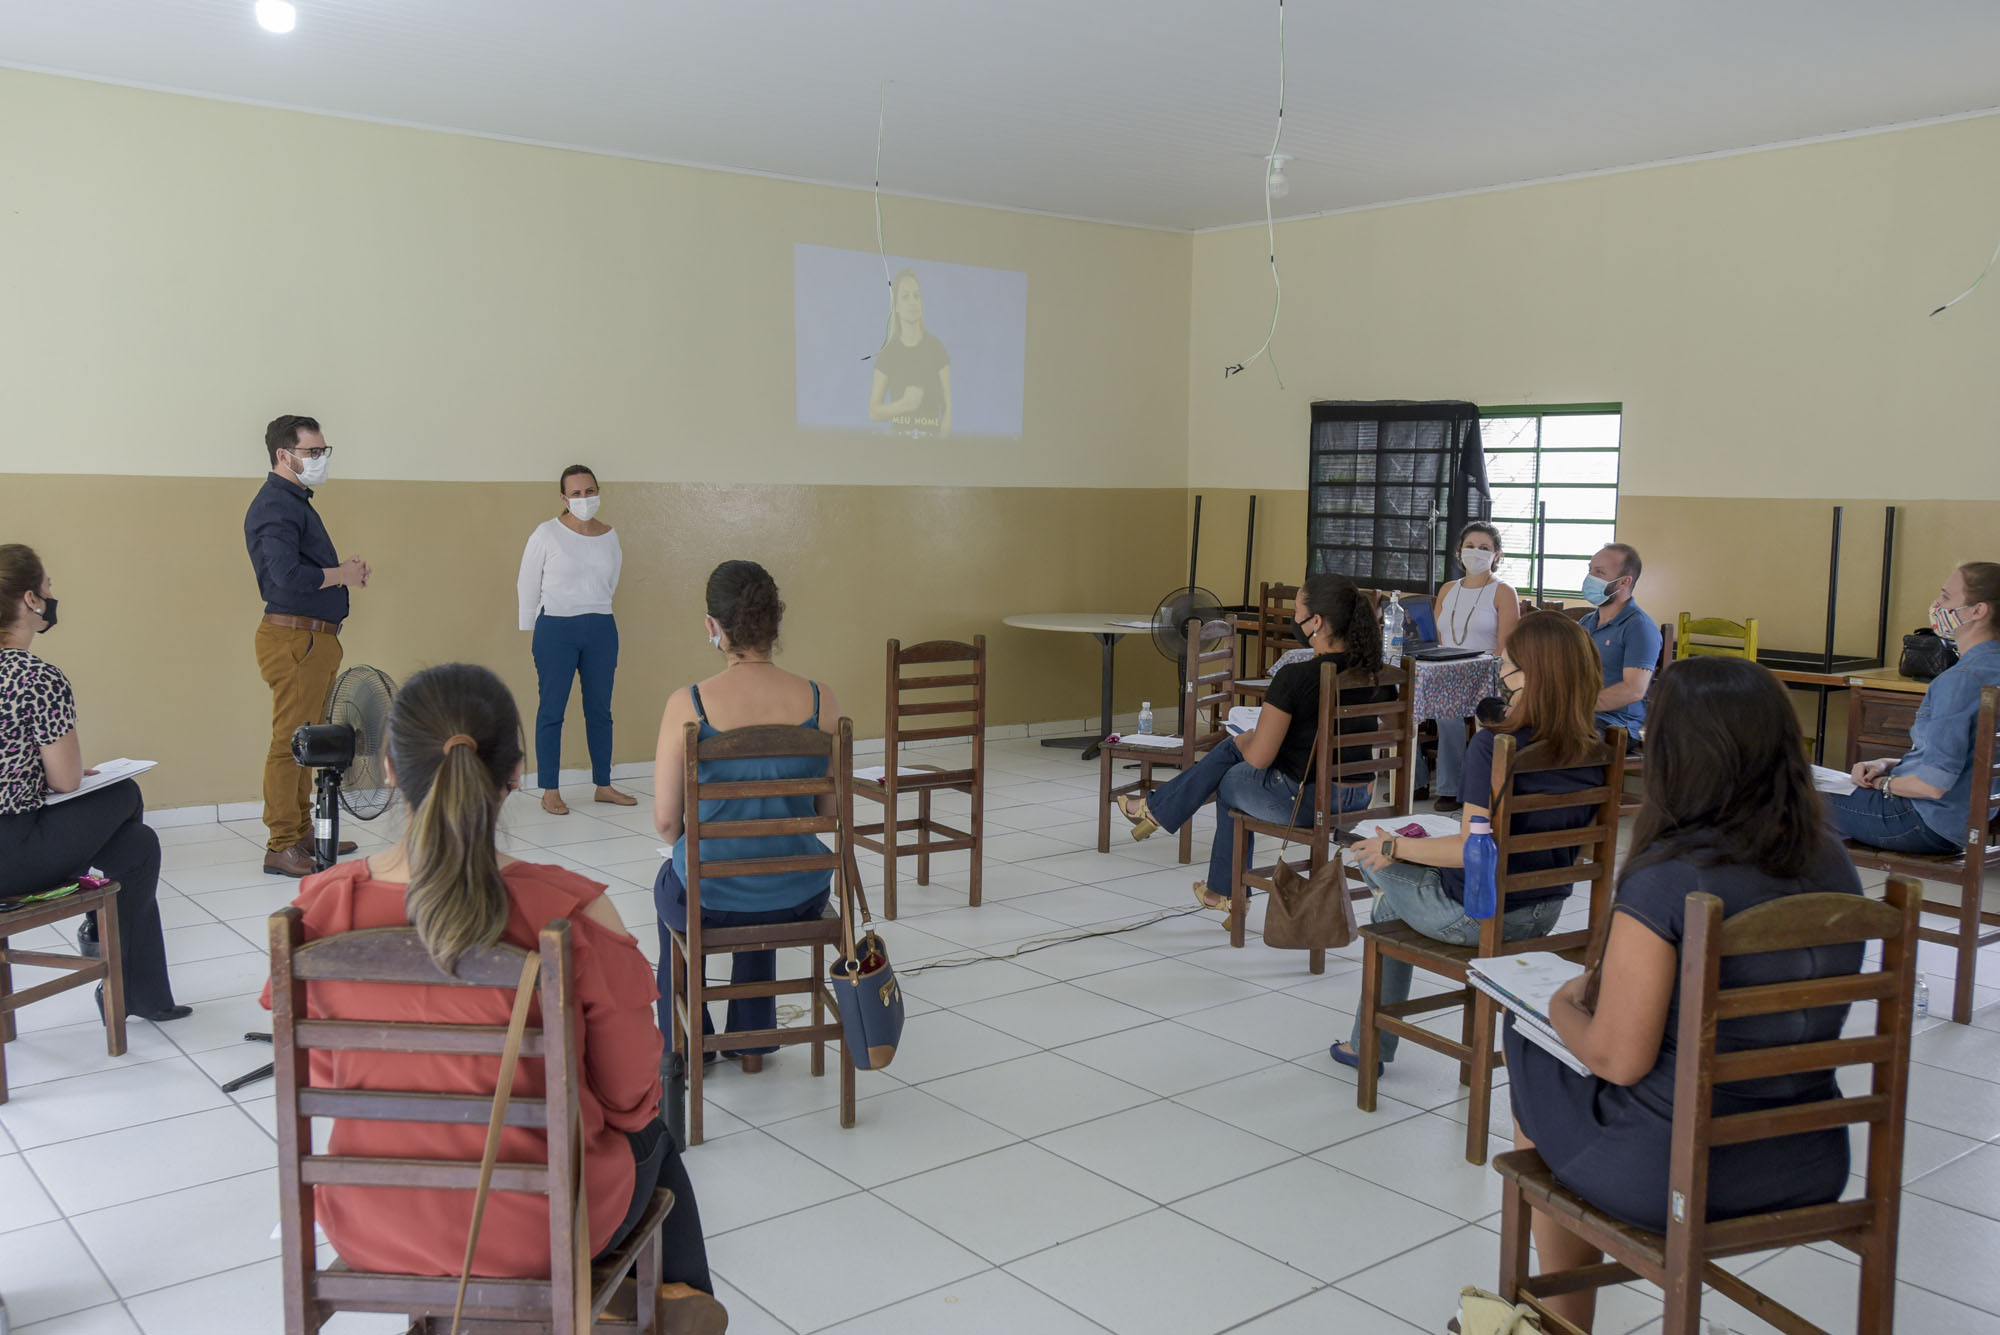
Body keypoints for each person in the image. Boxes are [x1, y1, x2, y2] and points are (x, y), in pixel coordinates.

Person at [264, 663, 724, 1331]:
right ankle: (668, 1300)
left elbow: (320, 1078)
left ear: (389, 768)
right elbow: (629, 1095)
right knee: (653, 1135)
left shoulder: (319, 910)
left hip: (370, 1219)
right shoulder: (574, 912)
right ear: (516, 771)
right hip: (538, 1228)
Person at [1506, 657, 1864, 1333]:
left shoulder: (1671, 879)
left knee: (1529, 1043)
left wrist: (1561, 1002)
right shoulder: (1833, 859)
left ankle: (1562, 1320)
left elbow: (1617, 1058)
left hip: (1679, 1172)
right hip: (1812, 1156)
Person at [1330, 611, 1606, 1073]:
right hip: (1546, 911)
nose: (1501, 668)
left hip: (1477, 919)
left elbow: (1467, 851)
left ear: (1527, 675)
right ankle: (1366, 1046)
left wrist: (1393, 848)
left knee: (1364, 850)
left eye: (1507, 662)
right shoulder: (1595, 747)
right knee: (1388, 904)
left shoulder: (1496, 746)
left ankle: (1369, 1049)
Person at [1114, 573, 1391, 919]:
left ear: (1316, 622)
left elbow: (1260, 759)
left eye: (1297, 611)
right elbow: (1381, 732)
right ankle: (1165, 820)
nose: (1295, 619)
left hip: (1309, 801)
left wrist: (1245, 740)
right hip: (1361, 796)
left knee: (1230, 775)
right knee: (1235, 752)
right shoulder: (1379, 673)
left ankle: (1224, 888)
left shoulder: (1296, 677)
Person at [652, 561, 842, 1063]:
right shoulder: (821, 700)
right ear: (774, 623)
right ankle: (753, 1040)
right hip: (800, 893)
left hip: (713, 900)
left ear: (713, 627)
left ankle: (686, 1048)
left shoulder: (688, 703)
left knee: (674, 883)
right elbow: (830, 807)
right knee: (767, 866)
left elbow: (667, 823)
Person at [0, 545, 188, 1021]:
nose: (50, 596)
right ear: (30, 601)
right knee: (124, 793)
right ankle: (105, 947)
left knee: (138, 846)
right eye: (47, 589)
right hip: (14, 853)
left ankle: (135, 991)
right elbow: (65, 781)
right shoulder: (36, 678)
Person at [245, 415, 367, 877]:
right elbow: (284, 576)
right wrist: (341, 575)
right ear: (284, 455)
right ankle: (281, 845)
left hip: (312, 638)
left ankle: (301, 835)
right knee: (289, 743)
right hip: (296, 639)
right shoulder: (276, 505)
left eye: (322, 451)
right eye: (312, 452)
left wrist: (340, 573)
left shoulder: (293, 501)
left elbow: (299, 566)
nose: (319, 459)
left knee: (305, 743)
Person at [1826, 561, 2000, 854]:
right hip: (1964, 820)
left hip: (1921, 822)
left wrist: (1883, 783)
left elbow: (1933, 786)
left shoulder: (1960, 680)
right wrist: (1886, 764)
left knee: (1784, 791)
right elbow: (1962, 761)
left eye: (1945, 597)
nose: (1937, 605)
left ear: (1978, 610)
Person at [516, 465, 635, 816]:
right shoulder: (546, 534)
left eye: (590, 491)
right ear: (564, 498)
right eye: (577, 493)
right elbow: (527, 581)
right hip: (555, 628)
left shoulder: (609, 535)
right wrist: (531, 625)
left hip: (600, 627)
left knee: (600, 710)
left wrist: (592, 607)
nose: (585, 499)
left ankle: (603, 784)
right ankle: (550, 790)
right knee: (552, 710)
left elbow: (610, 580)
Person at [1427, 522, 1521, 813]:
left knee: (1464, 715)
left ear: (1496, 555)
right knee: (1425, 704)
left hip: (1487, 673)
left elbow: (1506, 647)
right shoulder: (1447, 589)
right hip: (1447, 670)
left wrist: (1469, 668)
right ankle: (1431, 782)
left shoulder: (1503, 591)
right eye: (1470, 546)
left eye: (1484, 548)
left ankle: (1465, 786)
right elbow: (1437, 636)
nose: (1475, 553)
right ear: (1459, 552)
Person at [1577, 542, 1661, 736]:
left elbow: (1633, 689)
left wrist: (1574, 705)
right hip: (1578, 715)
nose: (1590, 578)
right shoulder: (1587, 622)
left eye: (1599, 572)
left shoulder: (1639, 627)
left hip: (1615, 724)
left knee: (1551, 742)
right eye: (1590, 570)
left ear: (1624, 582)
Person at [868, 268, 952, 438]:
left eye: (917, 295)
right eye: (906, 297)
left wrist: (942, 448)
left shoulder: (936, 348)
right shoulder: (888, 354)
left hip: (932, 452)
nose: (913, 302)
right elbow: (874, 412)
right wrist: (904, 405)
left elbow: (948, 408)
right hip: (899, 453)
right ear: (896, 306)